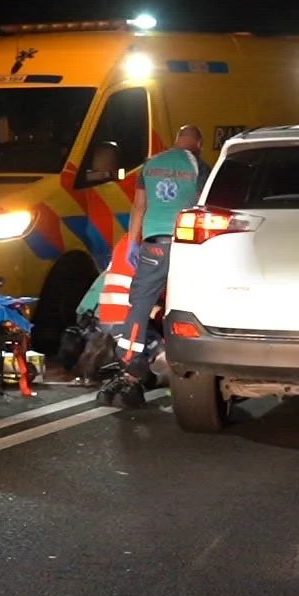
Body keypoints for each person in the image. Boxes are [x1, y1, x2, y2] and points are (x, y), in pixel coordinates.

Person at [102, 124, 206, 408]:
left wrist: (133, 242)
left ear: (176, 140)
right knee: (187, 302)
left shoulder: (151, 164)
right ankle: (191, 364)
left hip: (154, 242)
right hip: (186, 243)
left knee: (140, 302)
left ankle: (129, 361)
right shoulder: (198, 166)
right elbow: (202, 206)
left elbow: (139, 206)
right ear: (198, 144)